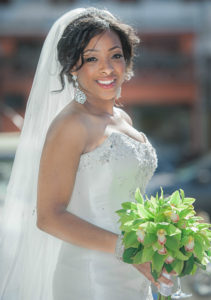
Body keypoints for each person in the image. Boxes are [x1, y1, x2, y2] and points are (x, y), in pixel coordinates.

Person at [0, 7, 173, 300]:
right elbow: (49, 217)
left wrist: (162, 230)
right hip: (91, 276)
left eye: (115, 55)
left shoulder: (123, 119)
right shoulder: (71, 124)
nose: (107, 68)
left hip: (132, 270)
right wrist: (127, 249)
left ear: (127, 60)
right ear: (72, 67)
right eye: (91, 58)